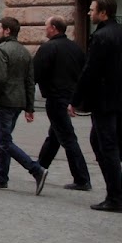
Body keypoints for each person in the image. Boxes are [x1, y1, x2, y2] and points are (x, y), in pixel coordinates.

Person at [72, 0, 122, 213]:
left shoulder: (100, 36)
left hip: (103, 101)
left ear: (104, 13)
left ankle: (116, 197)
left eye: (92, 10)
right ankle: (114, 192)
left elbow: (90, 71)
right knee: (98, 141)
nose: (89, 13)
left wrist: (75, 100)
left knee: (107, 147)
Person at [0, 16, 48, 194]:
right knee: (6, 140)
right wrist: (29, 106)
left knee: (5, 142)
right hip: (18, 101)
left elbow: (0, 78)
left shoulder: (2, 49)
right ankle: (1, 177)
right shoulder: (24, 52)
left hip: (5, 100)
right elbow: (30, 81)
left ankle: (36, 170)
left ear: (7, 31)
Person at [34, 16, 91, 191]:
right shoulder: (75, 48)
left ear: (53, 28)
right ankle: (39, 168)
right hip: (68, 97)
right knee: (55, 136)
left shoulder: (48, 48)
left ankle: (82, 178)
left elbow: (36, 74)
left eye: (46, 26)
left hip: (56, 98)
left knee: (67, 137)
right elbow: (83, 73)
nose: (45, 29)